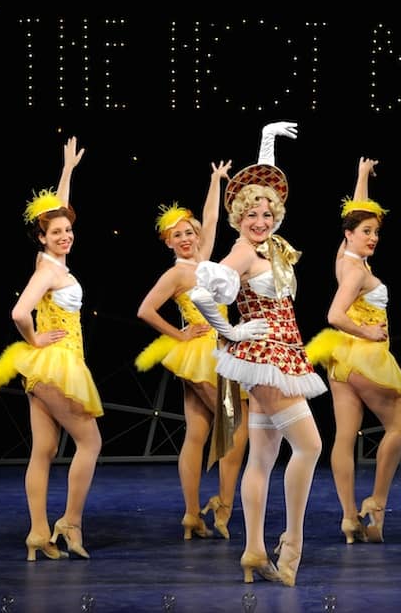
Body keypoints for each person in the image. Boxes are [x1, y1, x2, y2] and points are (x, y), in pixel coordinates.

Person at [189, 121, 327, 587]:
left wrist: (266, 138)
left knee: (263, 458)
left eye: (267, 213)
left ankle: (252, 550)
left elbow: (265, 177)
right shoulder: (242, 254)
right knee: (310, 445)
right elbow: (202, 291)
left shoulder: (269, 247)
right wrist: (228, 330)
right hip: (265, 355)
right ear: (238, 218)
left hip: (283, 351)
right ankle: (292, 542)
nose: (260, 220)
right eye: (251, 214)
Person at [0, 135, 103, 561]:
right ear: (41, 239)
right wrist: (33, 338)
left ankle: (38, 532)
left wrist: (67, 172)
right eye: (56, 232)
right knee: (90, 443)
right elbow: (19, 312)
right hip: (57, 365)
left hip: (43, 369)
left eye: (68, 230)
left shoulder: (51, 262)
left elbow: (57, 211)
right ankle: (70, 522)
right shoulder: (49, 272)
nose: (65, 235)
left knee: (45, 450)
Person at [135, 159, 250, 541]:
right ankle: (223, 505)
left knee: (197, 433)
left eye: (189, 232)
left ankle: (191, 515)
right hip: (204, 352)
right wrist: (179, 336)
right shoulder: (177, 273)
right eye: (177, 236)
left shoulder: (205, 262)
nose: (185, 239)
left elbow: (212, 218)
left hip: (215, 350)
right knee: (237, 428)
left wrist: (215, 180)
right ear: (168, 242)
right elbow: (145, 310)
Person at [305, 157, 401, 545]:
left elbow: (356, 214)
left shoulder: (343, 259)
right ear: (349, 234)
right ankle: (376, 504)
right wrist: (366, 330)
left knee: (345, 437)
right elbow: (334, 313)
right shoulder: (356, 272)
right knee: (400, 427)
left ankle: (350, 518)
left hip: (340, 363)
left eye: (376, 232)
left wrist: (362, 175)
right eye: (367, 231)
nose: (373, 237)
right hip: (364, 357)